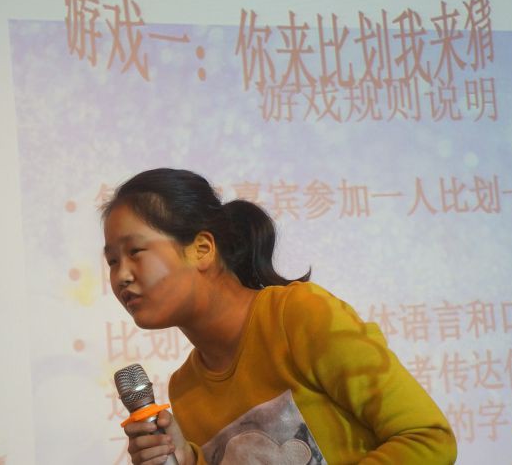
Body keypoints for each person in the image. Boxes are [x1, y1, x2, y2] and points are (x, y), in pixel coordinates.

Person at [102, 168, 457, 465]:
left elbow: (427, 438)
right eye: (113, 261)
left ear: (202, 249)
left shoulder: (298, 315)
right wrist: (186, 460)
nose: (122, 276)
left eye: (135, 251)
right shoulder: (186, 388)